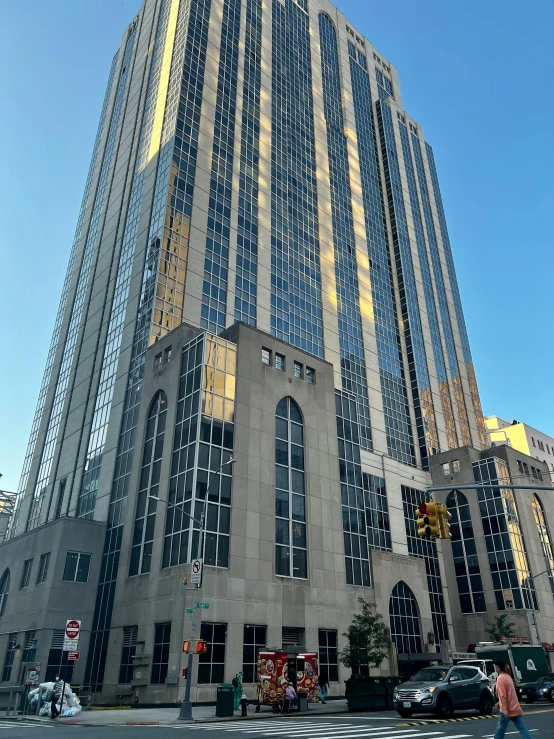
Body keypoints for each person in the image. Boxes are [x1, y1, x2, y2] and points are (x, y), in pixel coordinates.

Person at [493, 661, 533, 739]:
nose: (495, 668)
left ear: (498, 668)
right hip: (515, 707)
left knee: (500, 729)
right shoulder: (508, 677)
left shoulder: (500, 679)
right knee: (522, 728)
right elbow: (510, 693)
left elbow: (503, 695)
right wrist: (500, 702)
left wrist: (504, 709)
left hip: (507, 709)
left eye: (495, 667)